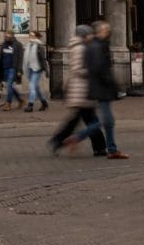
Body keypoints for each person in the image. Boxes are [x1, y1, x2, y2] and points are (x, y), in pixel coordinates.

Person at [48, 25, 103, 154]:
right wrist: (91, 71)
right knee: (90, 120)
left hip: (81, 89)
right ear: (84, 35)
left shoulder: (80, 47)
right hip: (82, 90)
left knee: (84, 119)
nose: (91, 36)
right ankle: (99, 148)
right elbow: (78, 69)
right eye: (89, 34)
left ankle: (99, 147)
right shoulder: (80, 48)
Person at [87, 20, 126, 158]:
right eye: (105, 30)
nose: (108, 32)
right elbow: (101, 69)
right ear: (99, 32)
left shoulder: (99, 45)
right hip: (102, 88)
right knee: (107, 121)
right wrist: (112, 84)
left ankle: (111, 148)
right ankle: (77, 137)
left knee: (107, 121)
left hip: (101, 88)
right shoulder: (97, 46)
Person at [21, 32, 48, 113]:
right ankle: (44, 102)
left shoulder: (40, 46)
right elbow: (26, 58)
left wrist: (46, 70)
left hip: (37, 69)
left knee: (32, 86)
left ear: (36, 37)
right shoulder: (28, 45)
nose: (30, 37)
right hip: (30, 68)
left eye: (32, 36)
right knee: (36, 88)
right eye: (29, 35)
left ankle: (30, 105)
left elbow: (43, 59)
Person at [0, 31, 21, 110]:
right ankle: (20, 100)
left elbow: (20, 58)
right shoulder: (4, 44)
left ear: (12, 36)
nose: (6, 38)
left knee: (9, 85)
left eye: (8, 36)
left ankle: (8, 104)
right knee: (9, 86)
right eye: (5, 36)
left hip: (13, 68)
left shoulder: (18, 45)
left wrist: (19, 70)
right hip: (5, 68)